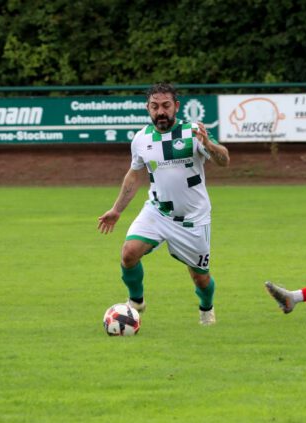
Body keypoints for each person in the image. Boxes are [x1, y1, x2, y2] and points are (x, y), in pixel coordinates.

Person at [98, 82, 230, 325]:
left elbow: (224, 160)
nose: (160, 112)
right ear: (147, 108)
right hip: (158, 211)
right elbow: (134, 174)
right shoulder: (141, 139)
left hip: (193, 219)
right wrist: (116, 210)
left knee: (200, 278)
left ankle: (206, 308)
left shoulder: (193, 131)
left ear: (176, 106)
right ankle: (136, 301)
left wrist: (209, 145)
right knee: (128, 253)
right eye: (155, 106)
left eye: (166, 106)